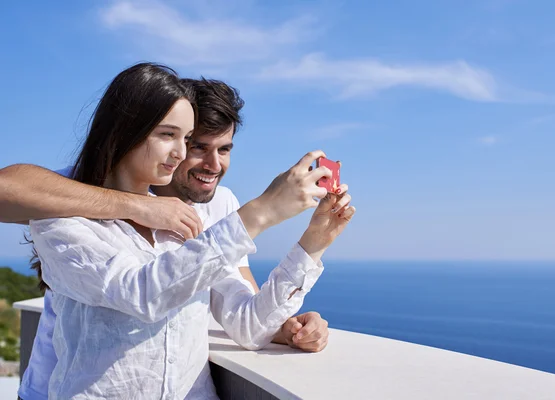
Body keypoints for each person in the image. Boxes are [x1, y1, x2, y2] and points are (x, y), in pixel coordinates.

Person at [9, 62, 355, 399]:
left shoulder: (191, 218)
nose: (181, 153)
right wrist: (260, 212)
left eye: (187, 138)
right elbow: (142, 294)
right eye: (171, 136)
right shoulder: (63, 212)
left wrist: (313, 244)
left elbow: (247, 322)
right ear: (125, 131)